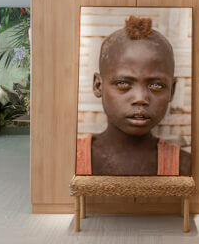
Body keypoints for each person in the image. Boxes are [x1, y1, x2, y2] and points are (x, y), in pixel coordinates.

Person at [76, 15, 191, 176]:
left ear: (172, 90)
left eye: (156, 85)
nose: (140, 98)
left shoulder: (186, 167)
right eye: (123, 83)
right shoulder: (69, 159)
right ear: (98, 85)